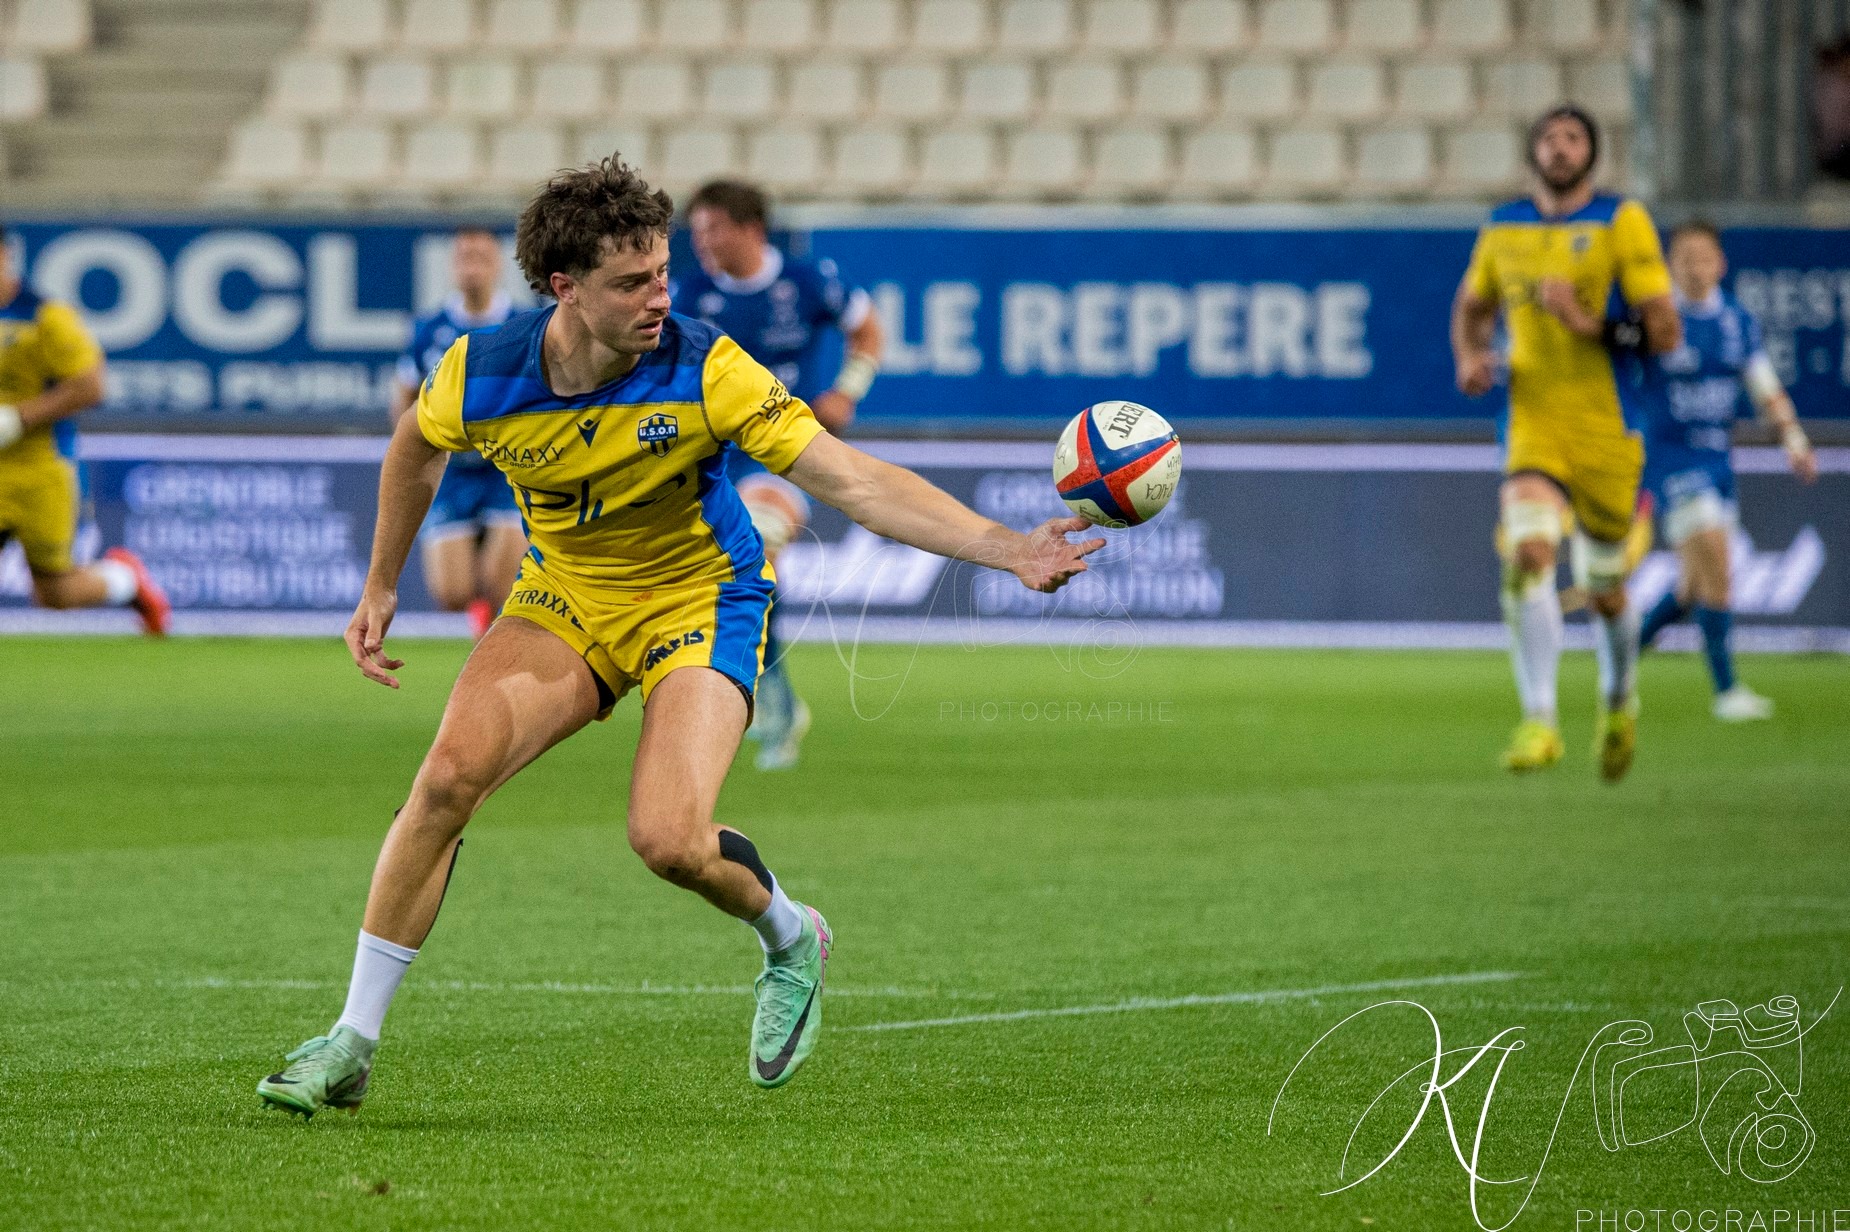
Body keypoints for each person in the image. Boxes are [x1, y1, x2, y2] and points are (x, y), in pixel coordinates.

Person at [255, 155, 1100, 1117]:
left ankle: (790, 936)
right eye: (633, 283)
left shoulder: (707, 366)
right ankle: (351, 1043)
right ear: (565, 290)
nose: (660, 295)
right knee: (447, 779)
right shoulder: (481, 372)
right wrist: (379, 583)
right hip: (566, 600)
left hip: (701, 599)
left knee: (666, 840)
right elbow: (413, 447)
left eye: (661, 272)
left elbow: (851, 479)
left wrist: (1007, 548)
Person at [1450, 106, 1681, 781]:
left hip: (1610, 426)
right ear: (1534, 154)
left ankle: (1618, 701)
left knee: (1606, 591)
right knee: (1527, 555)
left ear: (1591, 154)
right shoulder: (1503, 227)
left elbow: (1664, 332)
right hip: (1533, 419)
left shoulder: (1621, 222)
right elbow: (1471, 306)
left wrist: (1586, 322)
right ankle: (1539, 719)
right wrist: (1468, 359)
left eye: (1573, 137)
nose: (1560, 148)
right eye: (1549, 138)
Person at [672, 180, 886, 771]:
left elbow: (869, 330)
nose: (703, 242)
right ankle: (776, 696)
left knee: (759, 545)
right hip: (717, 456)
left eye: (713, 228)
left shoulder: (808, 282)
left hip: (786, 449)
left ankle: (764, 700)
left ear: (751, 228)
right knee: (735, 576)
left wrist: (848, 391)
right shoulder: (691, 293)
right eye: (697, 231)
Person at [1632, 221, 1817, 720]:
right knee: (1718, 561)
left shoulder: (1736, 321)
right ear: (1671, 264)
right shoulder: (1656, 320)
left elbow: (1764, 387)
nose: (1694, 266)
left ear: (1721, 264)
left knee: (1692, 589)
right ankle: (1727, 691)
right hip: (1673, 460)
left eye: (1703, 257)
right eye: (1684, 257)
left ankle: (1625, 655)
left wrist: (1794, 440)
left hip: (1718, 459)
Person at [0, 223, 168, 634]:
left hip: (40, 472)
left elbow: (90, 385)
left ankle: (126, 579)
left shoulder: (45, 318)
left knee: (55, 594)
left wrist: (18, 419)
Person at [389, 227, 524, 640]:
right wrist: (408, 452)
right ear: (453, 266)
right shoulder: (430, 328)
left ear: (498, 265)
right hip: (452, 469)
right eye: (464, 257)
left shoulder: (522, 324)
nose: (472, 267)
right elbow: (406, 395)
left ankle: (496, 650)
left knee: (503, 586)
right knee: (452, 593)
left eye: (481, 257)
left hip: (509, 468)